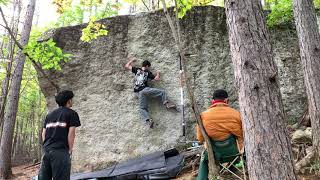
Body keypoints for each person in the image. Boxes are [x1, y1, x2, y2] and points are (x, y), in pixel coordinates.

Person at [196, 89, 244, 179]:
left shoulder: (203, 115)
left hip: (215, 154)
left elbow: (200, 139)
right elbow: (242, 135)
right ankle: (234, 167)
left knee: (204, 157)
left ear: (212, 101)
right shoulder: (236, 114)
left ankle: (202, 178)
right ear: (226, 101)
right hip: (235, 153)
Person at [38, 90, 81, 180]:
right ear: (69, 101)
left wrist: (46, 146)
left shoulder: (49, 115)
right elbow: (71, 133)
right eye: (71, 99)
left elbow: (44, 133)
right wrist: (69, 150)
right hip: (60, 151)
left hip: (47, 151)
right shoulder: (71, 113)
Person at [125, 57, 176, 128]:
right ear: (147, 66)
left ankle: (149, 120)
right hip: (145, 90)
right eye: (149, 67)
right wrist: (158, 73)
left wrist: (132, 60)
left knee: (142, 108)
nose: (149, 68)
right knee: (162, 92)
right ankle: (166, 104)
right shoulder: (148, 72)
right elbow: (156, 79)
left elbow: (127, 66)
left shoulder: (137, 70)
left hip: (138, 93)